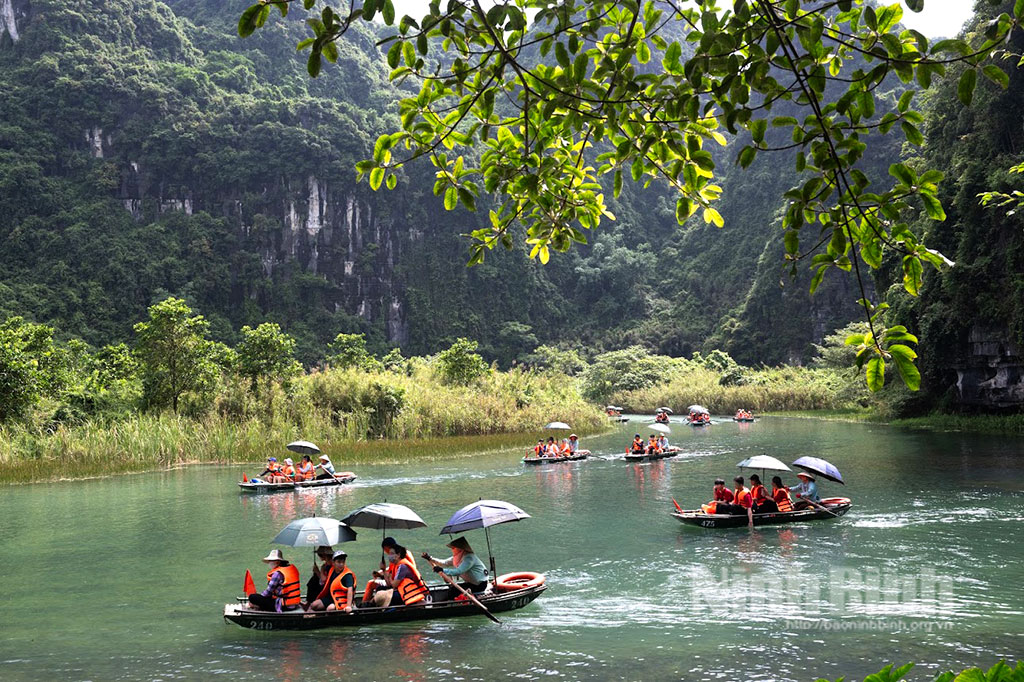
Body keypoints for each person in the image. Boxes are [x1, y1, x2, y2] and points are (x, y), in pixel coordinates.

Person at [370, 537, 431, 607]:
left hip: (408, 592)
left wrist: (388, 575)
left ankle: (370, 605)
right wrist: (383, 570)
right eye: (389, 553)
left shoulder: (403, 566)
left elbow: (394, 584)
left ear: (398, 555)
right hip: (401, 589)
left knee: (381, 595)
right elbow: (389, 583)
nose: (389, 555)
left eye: (391, 553)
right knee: (379, 589)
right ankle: (370, 604)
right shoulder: (396, 564)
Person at [422, 536, 488, 601]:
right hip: (470, 583)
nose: (452, 549)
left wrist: (442, 570)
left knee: (454, 590)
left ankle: (449, 603)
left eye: (453, 548)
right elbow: (444, 563)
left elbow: (459, 571)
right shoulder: (457, 557)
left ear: (460, 548)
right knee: (453, 589)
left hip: (479, 585)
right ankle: (448, 601)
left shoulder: (469, 558)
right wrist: (430, 558)